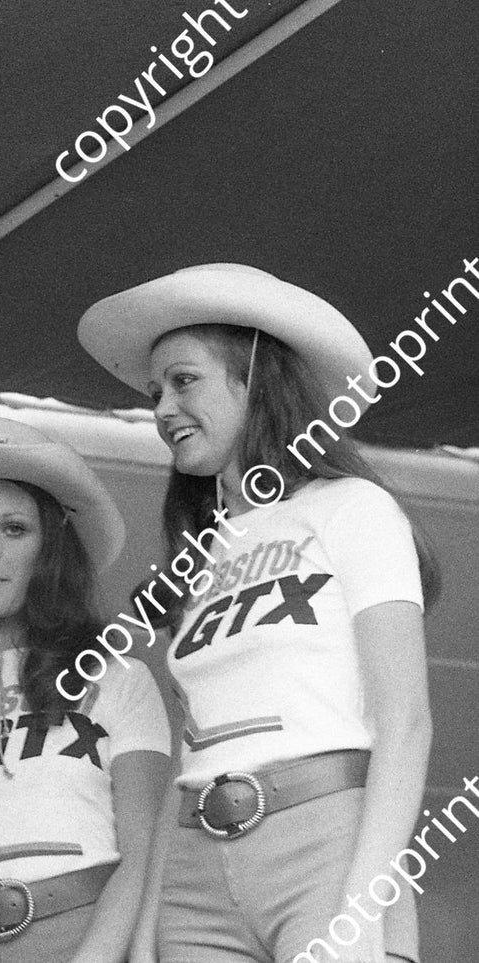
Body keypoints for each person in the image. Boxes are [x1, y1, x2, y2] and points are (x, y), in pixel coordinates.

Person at [78, 263, 440, 963]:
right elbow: (193, 751)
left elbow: (407, 723)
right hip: (191, 864)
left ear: (255, 377)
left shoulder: (351, 508)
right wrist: (149, 931)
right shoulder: (194, 559)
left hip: (324, 842)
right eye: (154, 391)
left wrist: (362, 904)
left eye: (184, 381)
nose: (160, 408)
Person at [0, 417, 170, 962]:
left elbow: (146, 853)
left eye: (13, 529)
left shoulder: (116, 675)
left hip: (80, 935)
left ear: (50, 547)